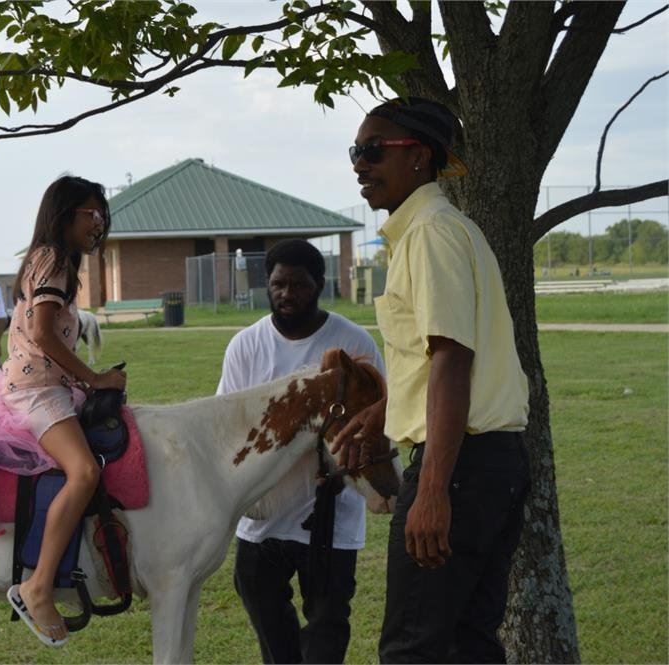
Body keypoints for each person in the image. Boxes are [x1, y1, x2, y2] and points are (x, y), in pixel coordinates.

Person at [334, 97, 531, 663]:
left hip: (461, 469)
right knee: (467, 644)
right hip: (488, 464)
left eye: (373, 150)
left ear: (418, 157)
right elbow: (438, 357)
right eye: (355, 151)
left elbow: (451, 360)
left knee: (412, 649)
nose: (358, 164)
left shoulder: (430, 234)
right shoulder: (440, 231)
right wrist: (389, 409)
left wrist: (433, 492)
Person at [217, 238, 385, 664]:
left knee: (327, 628)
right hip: (262, 520)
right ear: (267, 285)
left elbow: (376, 424)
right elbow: (229, 427)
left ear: (319, 285)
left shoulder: (353, 343)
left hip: (330, 517)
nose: (287, 294)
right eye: (278, 284)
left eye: (298, 285)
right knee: (271, 630)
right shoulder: (246, 346)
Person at [2, 175, 127, 647]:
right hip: (38, 390)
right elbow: (43, 336)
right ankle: (37, 587)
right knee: (83, 474)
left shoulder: (48, 260)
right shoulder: (53, 259)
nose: (98, 222)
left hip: (46, 385)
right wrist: (94, 379)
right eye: (90, 213)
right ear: (65, 213)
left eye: (100, 214)